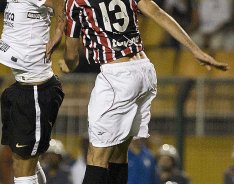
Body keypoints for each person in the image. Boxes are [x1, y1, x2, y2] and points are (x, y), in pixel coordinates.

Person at [59, 0, 229, 183]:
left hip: (117, 74)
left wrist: (68, 65)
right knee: (119, 152)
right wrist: (196, 50)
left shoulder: (76, 2)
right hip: (144, 70)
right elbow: (157, 13)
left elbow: (71, 54)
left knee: (96, 157)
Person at [0, 0, 65, 183]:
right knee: (26, 163)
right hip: (23, 87)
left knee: (23, 169)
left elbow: (60, 2)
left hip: (35, 91)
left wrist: (59, 30)